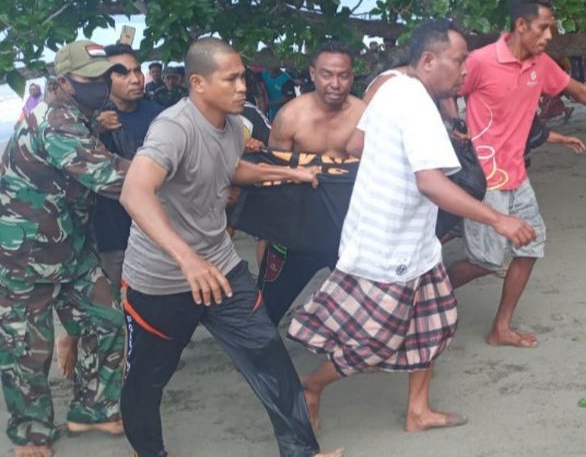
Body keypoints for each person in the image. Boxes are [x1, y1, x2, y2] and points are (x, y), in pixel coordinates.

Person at [288, 20, 536, 433]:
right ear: (427, 60)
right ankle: (311, 386)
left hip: (415, 243)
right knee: (370, 345)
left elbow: (355, 145)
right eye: (458, 62)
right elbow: (431, 182)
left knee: (432, 325)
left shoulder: (390, 85)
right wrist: (498, 219)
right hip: (386, 247)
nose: (463, 72)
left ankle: (417, 411)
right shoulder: (419, 105)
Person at [117, 37, 341, 457]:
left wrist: (286, 174)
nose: (243, 86)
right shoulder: (173, 127)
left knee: (267, 352)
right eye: (232, 78)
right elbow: (135, 192)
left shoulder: (234, 126)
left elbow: (231, 166)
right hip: (161, 280)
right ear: (198, 83)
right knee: (147, 379)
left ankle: (301, 451)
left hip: (220, 267)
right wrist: (187, 260)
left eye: (244, 77)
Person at [445, 0, 586, 348]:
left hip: (518, 176)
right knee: (485, 261)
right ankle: (423, 296)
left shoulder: (540, 65)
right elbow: (445, 87)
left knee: (531, 247)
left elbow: (578, 91)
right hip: (485, 180)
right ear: (520, 25)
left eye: (551, 28)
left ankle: (501, 328)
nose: (549, 37)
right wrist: (453, 121)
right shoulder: (480, 61)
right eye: (543, 28)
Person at [0, 40, 130, 457]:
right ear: (63, 82)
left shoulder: (76, 114)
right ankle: (32, 432)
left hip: (70, 247)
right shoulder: (55, 120)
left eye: (103, 75)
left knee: (107, 320)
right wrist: (172, 167)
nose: (101, 84)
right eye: (89, 78)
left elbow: (89, 162)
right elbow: (111, 179)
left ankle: (92, 408)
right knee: (26, 349)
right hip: (24, 254)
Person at [53, 44, 164, 380]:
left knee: (151, 291)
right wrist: (98, 129)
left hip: (149, 217)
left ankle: (145, 355)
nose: (134, 78)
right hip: (109, 225)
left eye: (137, 70)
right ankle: (71, 339)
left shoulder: (157, 114)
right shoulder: (83, 119)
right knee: (107, 299)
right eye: (121, 72)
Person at [255, 42, 366, 325]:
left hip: (347, 224)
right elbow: (272, 175)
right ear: (313, 74)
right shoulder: (290, 116)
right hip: (297, 224)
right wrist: (267, 236)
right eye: (327, 74)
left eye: (343, 75)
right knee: (267, 306)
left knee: (365, 301)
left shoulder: (364, 114)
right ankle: (259, 357)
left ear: (352, 76)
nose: (336, 83)